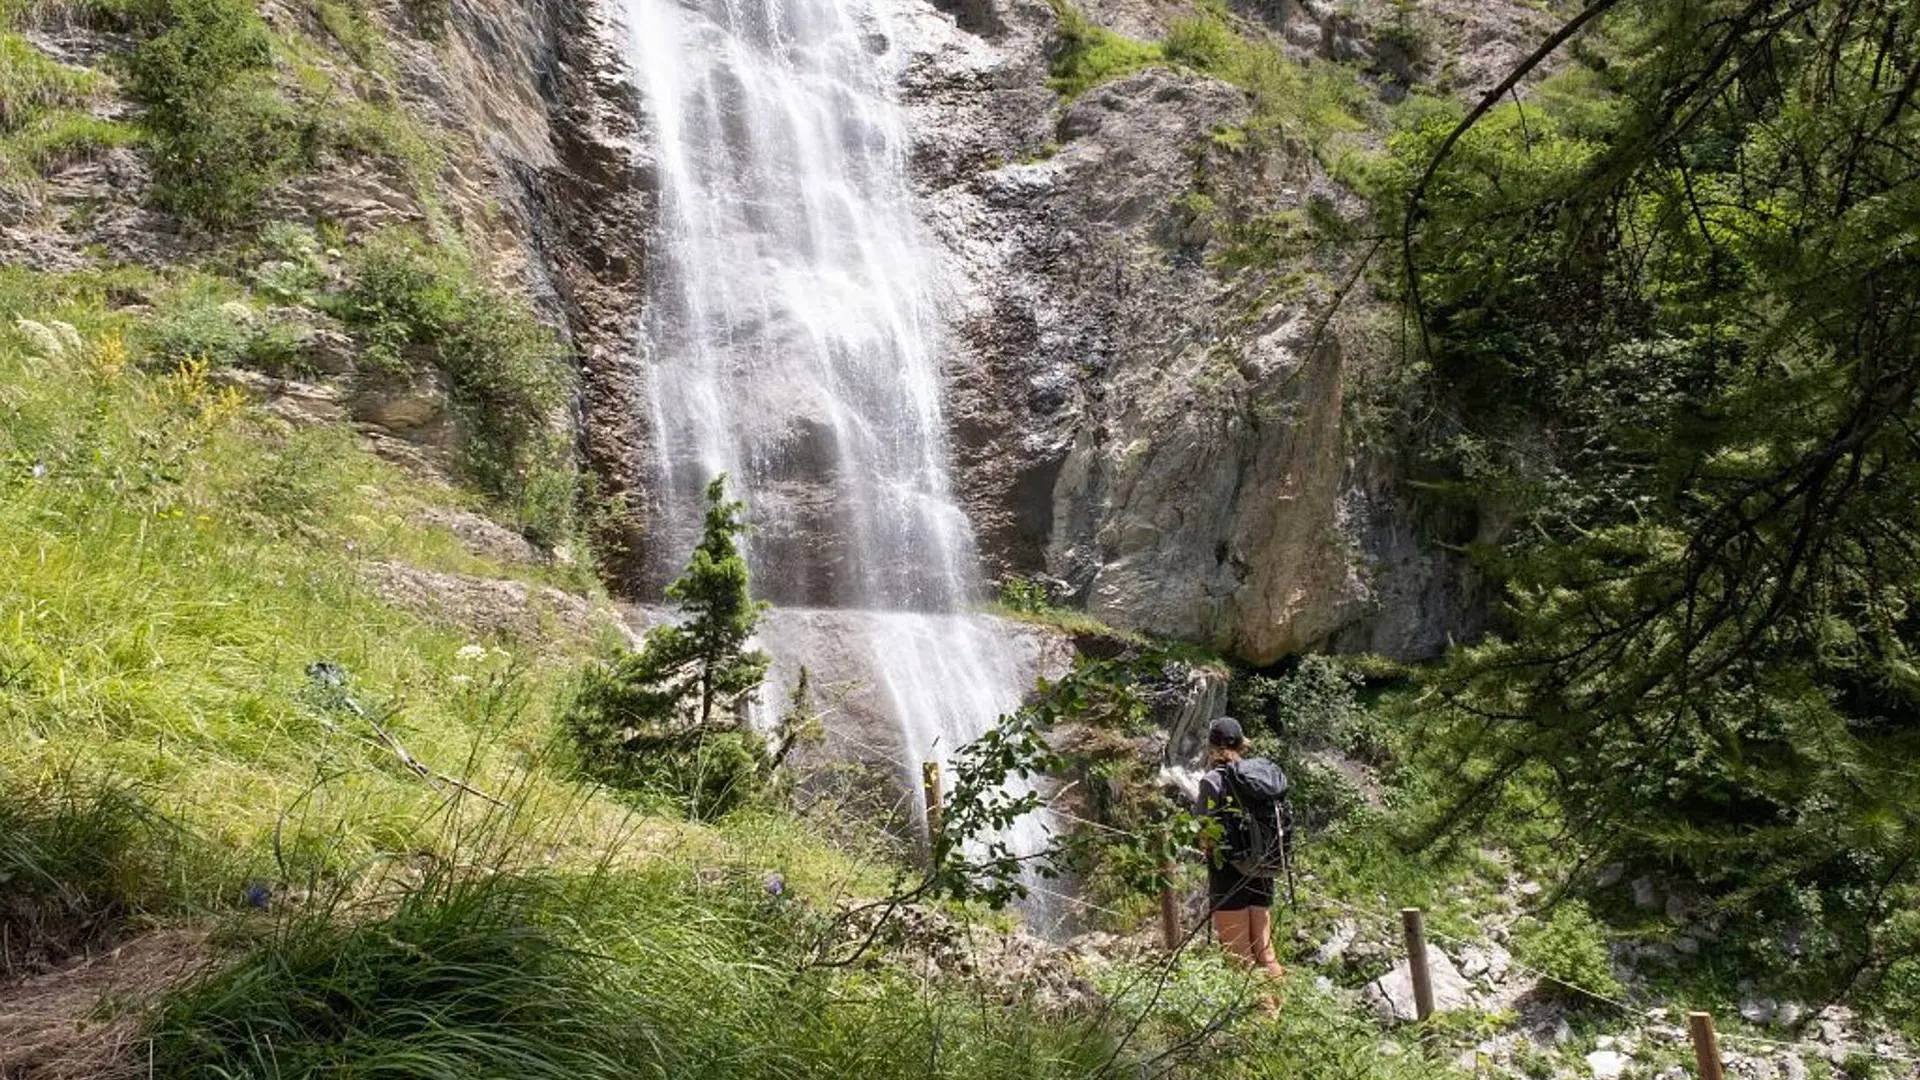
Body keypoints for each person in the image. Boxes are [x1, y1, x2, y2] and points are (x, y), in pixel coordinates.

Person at [1195, 716, 1286, 1004]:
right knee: (1264, 950)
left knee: (1238, 956)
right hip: (1263, 868)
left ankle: (1262, 1025)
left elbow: (1205, 834)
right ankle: (1282, 1015)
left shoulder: (1212, 781)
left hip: (1228, 872)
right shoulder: (1258, 776)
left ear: (1212, 747)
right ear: (1242, 743)